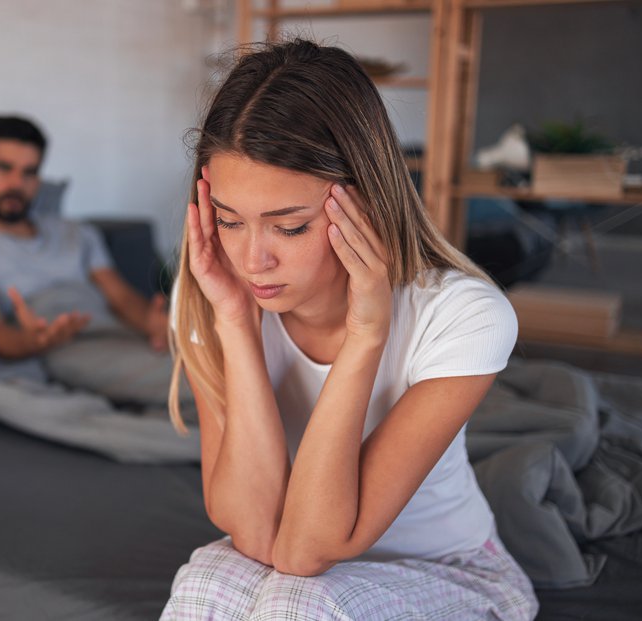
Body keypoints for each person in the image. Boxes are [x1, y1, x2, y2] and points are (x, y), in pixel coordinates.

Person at [162, 39, 538, 619]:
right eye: (230, 221)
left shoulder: (464, 315)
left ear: (362, 202)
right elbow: (257, 532)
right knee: (203, 583)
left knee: (300, 602)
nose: (252, 259)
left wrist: (366, 336)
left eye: (289, 227)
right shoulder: (218, 299)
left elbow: (309, 550)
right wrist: (235, 325)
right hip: (292, 558)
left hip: (452, 573)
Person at [0, 116, 174, 405]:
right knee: (206, 380)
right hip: (60, 348)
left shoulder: (77, 233)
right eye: (4, 168)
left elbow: (121, 298)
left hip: (116, 332)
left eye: (29, 172)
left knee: (214, 356)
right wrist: (32, 341)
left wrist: (155, 325)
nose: (17, 183)